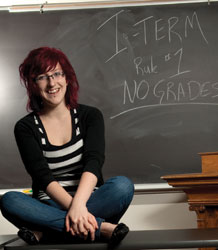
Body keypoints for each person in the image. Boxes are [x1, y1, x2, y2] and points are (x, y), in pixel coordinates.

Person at [0, 47, 134, 245]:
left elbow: (93, 163)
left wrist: (79, 205)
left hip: (92, 201)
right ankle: (100, 227)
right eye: (42, 77)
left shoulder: (90, 116)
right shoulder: (25, 127)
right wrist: (75, 210)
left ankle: (46, 232)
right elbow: (42, 176)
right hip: (48, 204)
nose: (52, 83)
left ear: (67, 77)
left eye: (56, 74)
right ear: (33, 84)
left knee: (123, 186)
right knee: (9, 200)